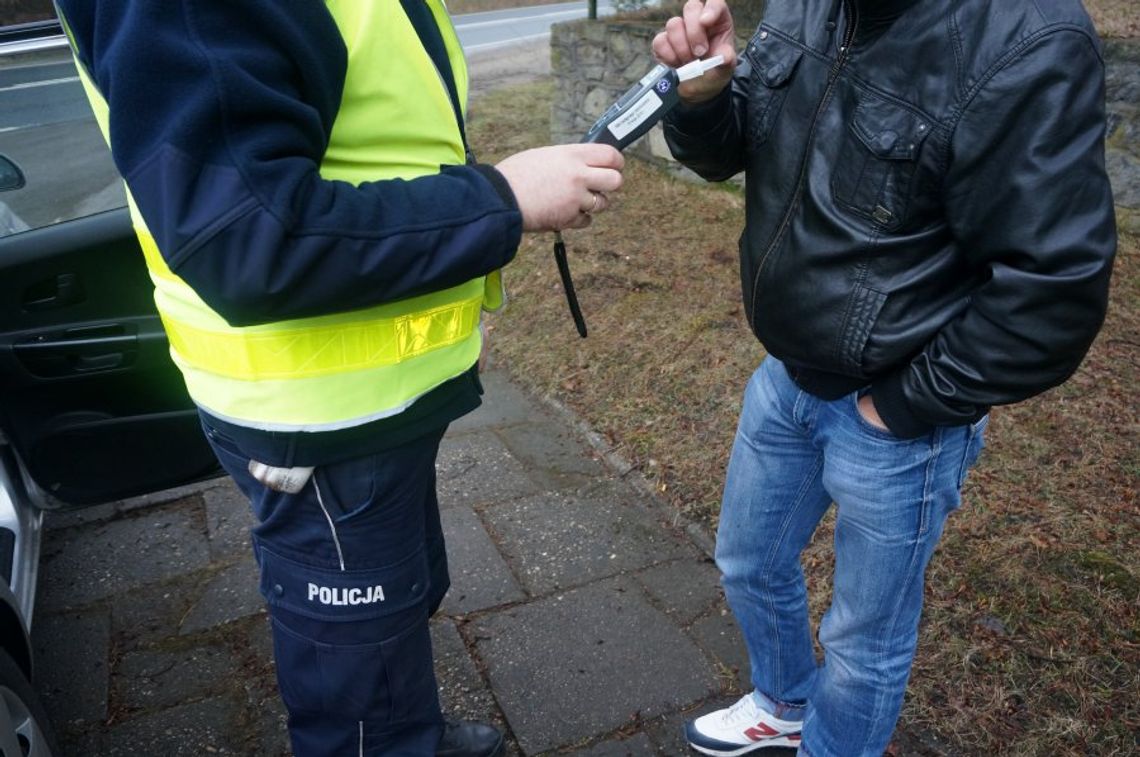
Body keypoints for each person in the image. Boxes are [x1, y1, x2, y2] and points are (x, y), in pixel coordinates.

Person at [55, 1, 623, 755]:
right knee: (356, 696)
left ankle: (410, 727)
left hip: (374, 404)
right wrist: (501, 200)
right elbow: (249, 235)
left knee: (398, 606)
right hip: (316, 423)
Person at [651, 0, 1116, 754]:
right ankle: (783, 702)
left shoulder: (1028, 36)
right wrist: (703, 97)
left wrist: (899, 406)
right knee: (748, 562)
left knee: (863, 642)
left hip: (899, 419)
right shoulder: (809, 5)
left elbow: (1054, 285)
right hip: (786, 377)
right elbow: (732, 149)